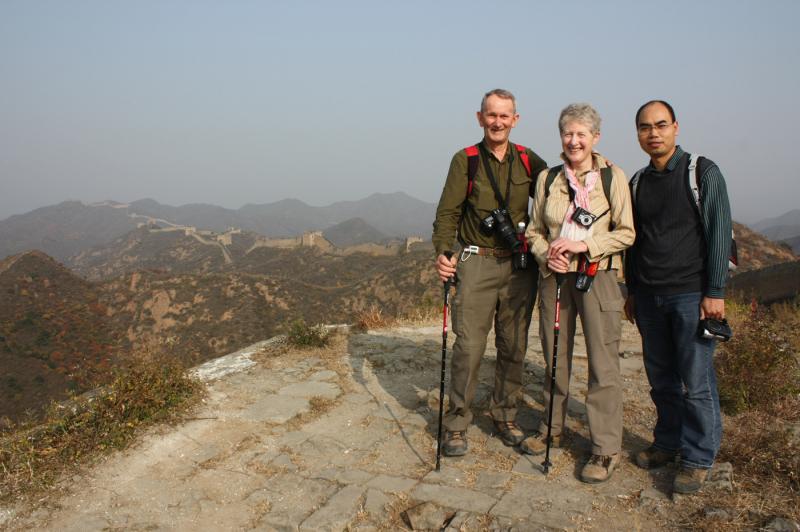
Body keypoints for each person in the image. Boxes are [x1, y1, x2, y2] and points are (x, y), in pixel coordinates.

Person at [522, 103, 635, 483]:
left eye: (581, 134)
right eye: (568, 133)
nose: (574, 140)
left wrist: (585, 246)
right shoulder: (548, 179)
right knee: (556, 357)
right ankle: (550, 427)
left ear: (595, 138)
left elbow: (627, 232)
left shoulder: (611, 177)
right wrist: (544, 253)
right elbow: (534, 230)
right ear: (561, 137)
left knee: (603, 364)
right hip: (555, 279)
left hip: (596, 276)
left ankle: (604, 449)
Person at [624, 100, 732, 494]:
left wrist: (715, 291)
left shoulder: (702, 172)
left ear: (676, 127)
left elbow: (720, 231)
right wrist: (632, 291)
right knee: (661, 380)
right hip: (650, 297)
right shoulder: (637, 181)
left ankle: (699, 456)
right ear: (637, 133)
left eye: (661, 125)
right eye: (645, 127)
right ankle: (668, 443)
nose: (653, 133)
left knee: (696, 381)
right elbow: (634, 243)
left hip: (691, 295)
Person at [432, 89, 547, 456]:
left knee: (513, 344)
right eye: (491, 115)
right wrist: (443, 252)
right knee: (469, 346)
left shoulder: (530, 161)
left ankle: (505, 414)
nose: (498, 122)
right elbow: (448, 212)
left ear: (516, 119)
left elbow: (563, 186)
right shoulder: (465, 161)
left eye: (505, 116)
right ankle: (456, 422)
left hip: (519, 265)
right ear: (480, 118)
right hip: (476, 261)